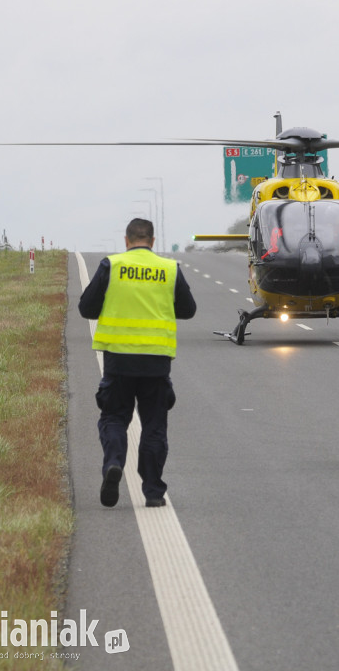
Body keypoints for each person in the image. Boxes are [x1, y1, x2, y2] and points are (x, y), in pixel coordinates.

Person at [78, 218, 196, 508]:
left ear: (127, 240)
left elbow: (86, 307)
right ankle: (153, 492)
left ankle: (114, 464)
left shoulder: (111, 266)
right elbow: (188, 310)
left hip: (118, 361)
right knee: (154, 426)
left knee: (114, 418)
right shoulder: (169, 269)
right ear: (152, 241)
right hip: (156, 363)